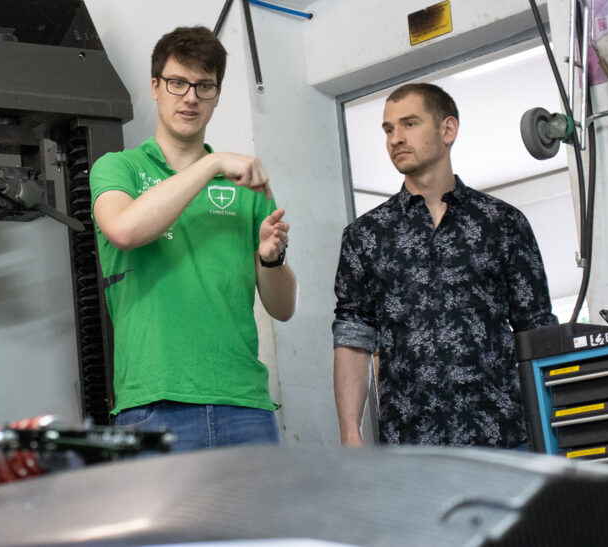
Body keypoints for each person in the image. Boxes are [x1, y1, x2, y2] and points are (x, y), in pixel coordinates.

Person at [90, 25, 298, 452]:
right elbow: (124, 230)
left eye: (205, 86)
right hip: (155, 402)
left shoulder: (247, 186)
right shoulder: (118, 168)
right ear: (155, 87)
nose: (190, 97)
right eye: (178, 83)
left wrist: (270, 258)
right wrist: (212, 164)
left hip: (244, 404)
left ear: (217, 95)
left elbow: (283, 308)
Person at [333, 83, 556, 448]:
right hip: (410, 447)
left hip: (504, 438)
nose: (395, 138)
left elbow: (537, 329)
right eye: (388, 129)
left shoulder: (502, 222)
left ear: (448, 129)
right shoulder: (365, 236)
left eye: (409, 124)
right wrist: (349, 434)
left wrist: (553, 425)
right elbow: (353, 338)